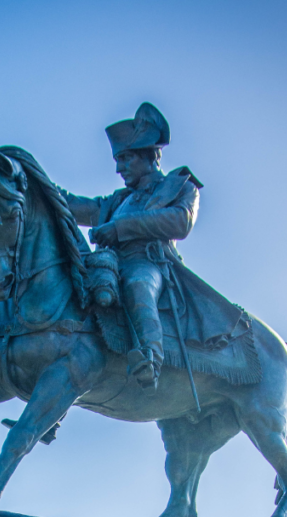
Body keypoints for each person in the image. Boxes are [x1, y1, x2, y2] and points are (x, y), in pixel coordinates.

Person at [58, 102, 203, 393]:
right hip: (107, 265)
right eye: (117, 160)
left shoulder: (180, 186)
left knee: (138, 285)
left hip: (149, 263)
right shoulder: (116, 200)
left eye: (125, 159)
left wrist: (119, 228)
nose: (118, 168)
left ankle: (150, 357)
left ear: (149, 157)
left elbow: (180, 222)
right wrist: (35, 185)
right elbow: (74, 205)